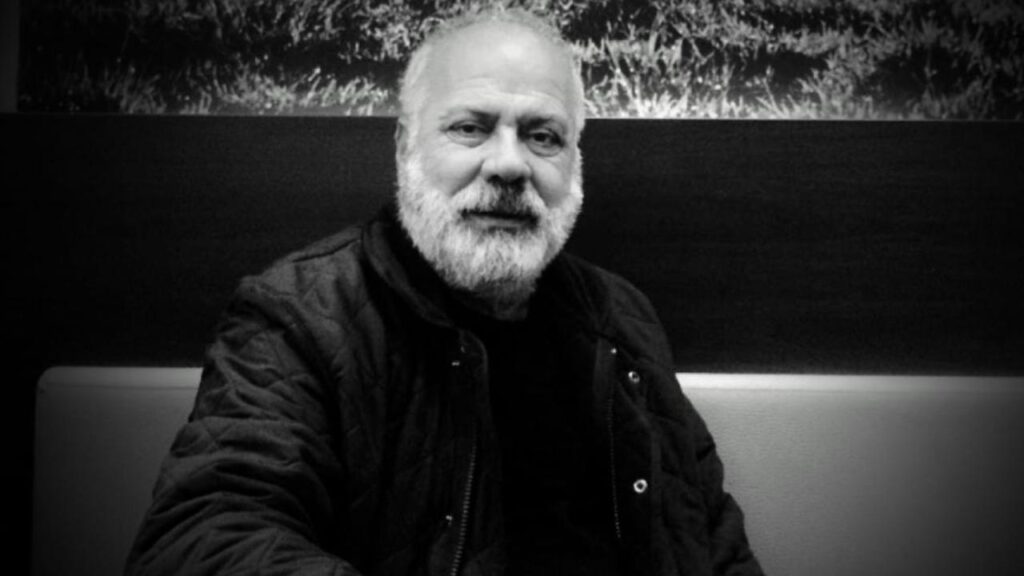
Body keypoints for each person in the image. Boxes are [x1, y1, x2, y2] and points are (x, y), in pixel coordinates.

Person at [125, 9, 763, 576]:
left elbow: (709, 539)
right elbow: (204, 536)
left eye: (543, 136)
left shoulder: (622, 318)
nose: (510, 165)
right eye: (470, 128)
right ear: (406, 146)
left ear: (575, 162)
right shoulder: (300, 316)